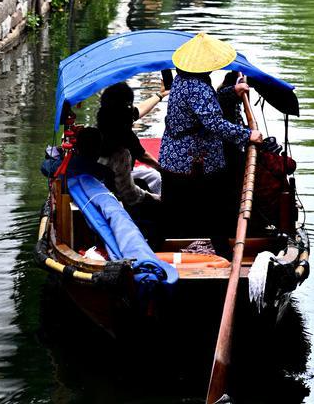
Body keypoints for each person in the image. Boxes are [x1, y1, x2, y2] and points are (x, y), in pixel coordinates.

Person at [159, 32, 263, 254]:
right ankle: (222, 252)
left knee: (178, 209)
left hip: (176, 155)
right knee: (216, 208)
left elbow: (207, 107)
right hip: (191, 159)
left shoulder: (183, 80)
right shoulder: (197, 87)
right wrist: (247, 135)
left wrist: (232, 91)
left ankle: (174, 245)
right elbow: (215, 122)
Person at [97, 81, 166, 213]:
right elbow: (129, 194)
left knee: (153, 175)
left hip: (110, 179)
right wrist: (156, 197)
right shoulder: (122, 149)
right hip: (117, 190)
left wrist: (160, 95)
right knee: (156, 178)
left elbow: (138, 111)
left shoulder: (106, 121)